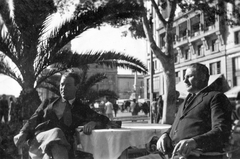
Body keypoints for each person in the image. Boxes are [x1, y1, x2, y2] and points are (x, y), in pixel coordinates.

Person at [14, 72, 110, 159]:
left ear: (76, 87)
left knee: (54, 151)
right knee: (57, 132)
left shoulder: (82, 108)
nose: (63, 88)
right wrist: (23, 133)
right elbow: (33, 119)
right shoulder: (48, 102)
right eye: (62, 84)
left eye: (68, 85)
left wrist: (93, 122)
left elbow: (105, 120)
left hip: (59, 148)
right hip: (40, 142)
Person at [156, 63, 233, 159]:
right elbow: (179, 125)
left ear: (203, 77)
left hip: (196, 155)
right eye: (184, 77)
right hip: (172, 153)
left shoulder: (215, 97)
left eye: (189, 76)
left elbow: (222, 130)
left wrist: (194, 142)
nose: (184, 81)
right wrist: (166, 134)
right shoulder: (185, 101)